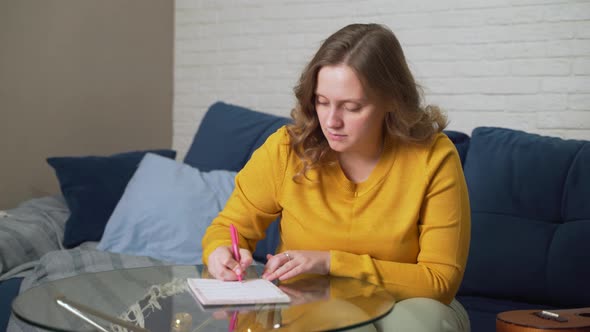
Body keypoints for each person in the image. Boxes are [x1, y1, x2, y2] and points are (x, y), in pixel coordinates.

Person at [202, 23, 471, 332]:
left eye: (352, 107)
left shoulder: (434, 156)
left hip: (411, 302)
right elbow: (228, 228)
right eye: (322, 101)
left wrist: (330, 262)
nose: (331, 121)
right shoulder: (286, 149)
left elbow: (439, 282)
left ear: (392, 100)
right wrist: (220, 252)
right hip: (310, 306)